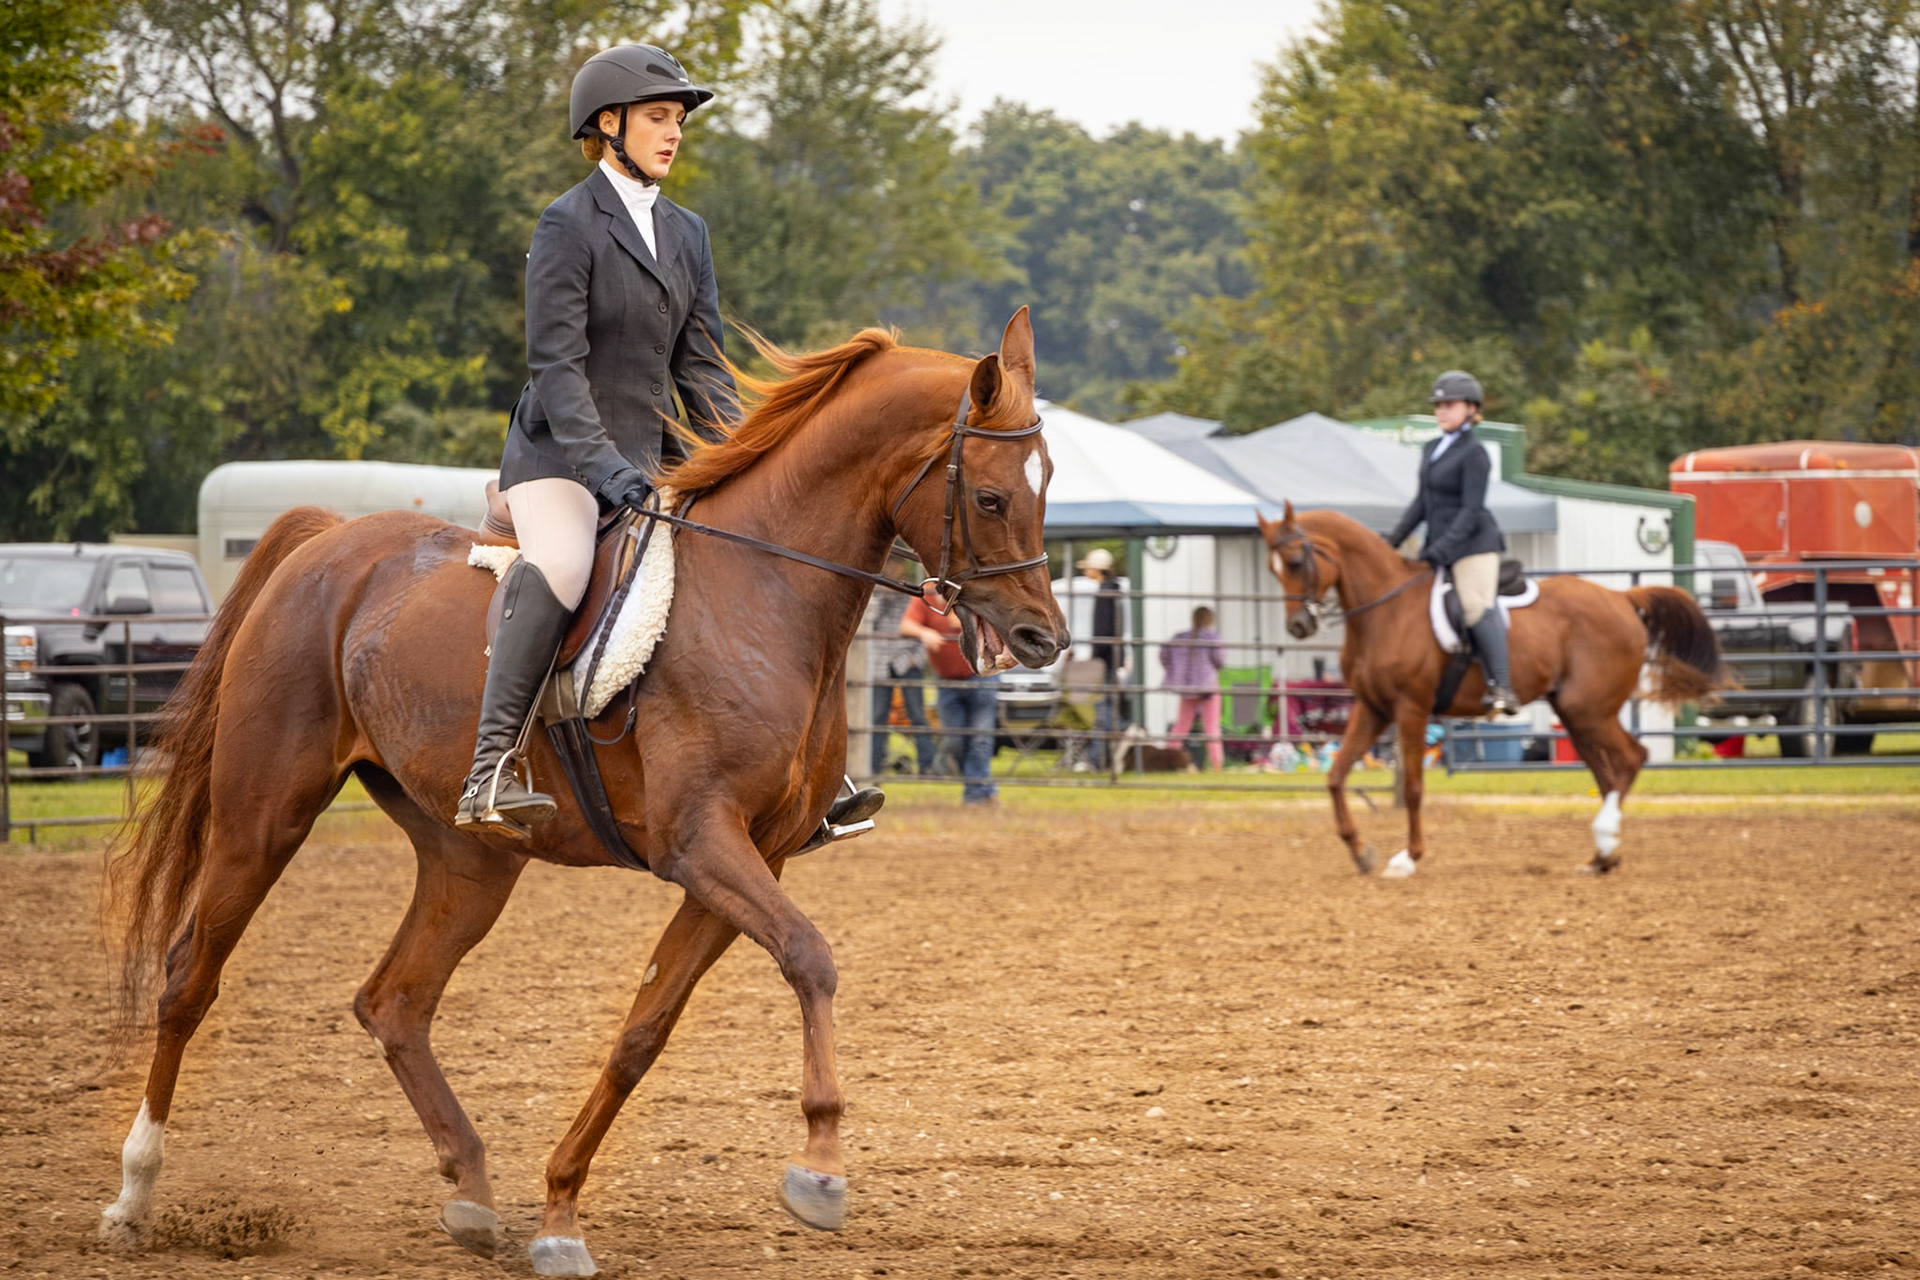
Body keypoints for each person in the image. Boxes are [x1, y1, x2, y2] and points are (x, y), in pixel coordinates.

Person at [1383, 369, 1517, 715]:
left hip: (1474, 546)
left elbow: (1470, 511)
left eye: (1450, 405)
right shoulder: (1431, 449)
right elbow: (1422, 503)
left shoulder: (1475, 454)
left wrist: (1439, 551)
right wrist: (1391, 542)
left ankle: (1502, 686)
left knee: (1474, 607)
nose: (1442, 411)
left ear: (1471, 409)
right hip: (1438, 546)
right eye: (1438, 405)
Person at [900, 594, 999, 805]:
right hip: (947, 680)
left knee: (980, 738)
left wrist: (969, 623)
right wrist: (924, 632)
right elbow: (906, 625)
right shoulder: (925, 597)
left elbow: (996, 624)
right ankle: (984, 787)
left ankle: (975, 795)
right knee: (953, 741)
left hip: (981, 674)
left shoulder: (971, 593)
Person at [864, 556, 935, 777]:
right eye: (891, 565)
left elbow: (921, 623)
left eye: (898, 565)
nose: (895, 569)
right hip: (881, 662)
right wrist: (883, 598)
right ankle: (874, 765)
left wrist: (916, 658)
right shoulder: (875, 591)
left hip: (907, 659)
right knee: (877, 716)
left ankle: (928, 765)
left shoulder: (913, 592)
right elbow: (869, 622)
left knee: (916, 713)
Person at [1077, 548, 1128, 768]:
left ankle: (1101, 756)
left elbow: (1104, 630)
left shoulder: (1106, 593)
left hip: (1105, 659)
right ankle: (1105, 755)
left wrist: (1097, 658)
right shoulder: (1111, 590)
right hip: (1110, 658)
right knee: (1105, 707)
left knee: (1103, 709)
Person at [1161, 605, 1227, 769]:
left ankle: (1167, 759)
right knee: (1211, 727)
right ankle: (1216, 764)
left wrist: (1174, 670)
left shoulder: (1179, 637)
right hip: (1207, 688)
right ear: (1211, 620)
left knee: (1181, 726)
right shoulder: (1212, 637)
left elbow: (1164, 654)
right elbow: (1220, 659)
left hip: (1187, 689)